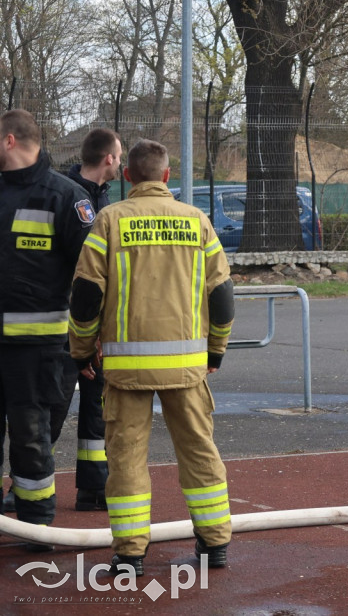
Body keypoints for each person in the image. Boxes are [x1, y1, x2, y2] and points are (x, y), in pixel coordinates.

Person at [69, 139, 234, 577]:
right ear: (166, 176)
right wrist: (215, 349)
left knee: (125, 460)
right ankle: (214, 544)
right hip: (187, 368)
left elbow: (86, 298)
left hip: (124, 371)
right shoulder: (197, 221)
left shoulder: (110, 220)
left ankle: (130, 555)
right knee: (199, 450)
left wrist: (82, 351)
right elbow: (222, 296)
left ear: (128, 176)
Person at [0, 109, 95, 550]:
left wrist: (89, 342)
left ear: (9, 141)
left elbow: (91, 279)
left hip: (38, 350)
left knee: (31, 437)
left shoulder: (65, 198)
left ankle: (36, 528)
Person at [60, 128, 122, 512]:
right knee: (51, 403)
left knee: (97, 403)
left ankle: (92, 487)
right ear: (109, 159)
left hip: (95, 322)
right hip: (67, 320)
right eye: (120, 154)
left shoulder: (101, 197)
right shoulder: (72, 198)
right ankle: (25, 485)